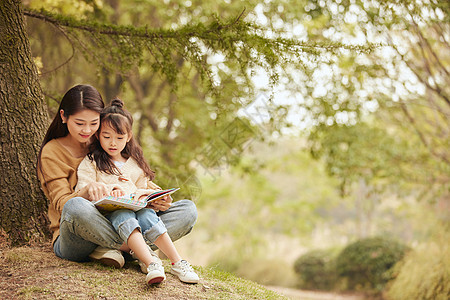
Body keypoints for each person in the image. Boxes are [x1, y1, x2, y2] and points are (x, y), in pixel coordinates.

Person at [37, 84, 197, 279]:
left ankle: (119, 249)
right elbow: (63, 206)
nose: (87, 130)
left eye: (93, 123)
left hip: (123, 219)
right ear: (63, 116)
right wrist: (87, 191)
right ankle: (139, 251)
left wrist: (157, 197)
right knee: (75, 206)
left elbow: (136, 177)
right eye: (79, 123)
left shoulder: (107, 142)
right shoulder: (52, 152)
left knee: (187, 210)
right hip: (80, 231)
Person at [75, 98, 199, 284]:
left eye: (119, 137)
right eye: (106, 137)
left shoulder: (135, 163)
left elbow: (145, 188)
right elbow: (82, 193)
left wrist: (157, 198)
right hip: (109, 219)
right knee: (122, 214)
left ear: (129, 136)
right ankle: (149, 261)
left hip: (140, 213)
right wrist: (109, 190)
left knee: (157, 213)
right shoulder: (92, 161)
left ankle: (177, 262)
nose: (113, 143)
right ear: (98, 135)